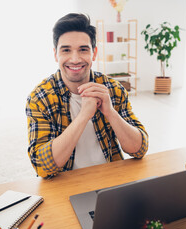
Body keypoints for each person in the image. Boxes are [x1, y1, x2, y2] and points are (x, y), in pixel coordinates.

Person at [26, 13, 148, 178]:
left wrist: (110, 112)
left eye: (83, 50)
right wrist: (84, 116)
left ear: (94, 53)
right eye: (66, 50)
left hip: (110, 180)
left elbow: (139, 149)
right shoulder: (40, 98)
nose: (75, 59)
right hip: (65, 185)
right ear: (55, 54)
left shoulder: (113, 88)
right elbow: (42, 166)